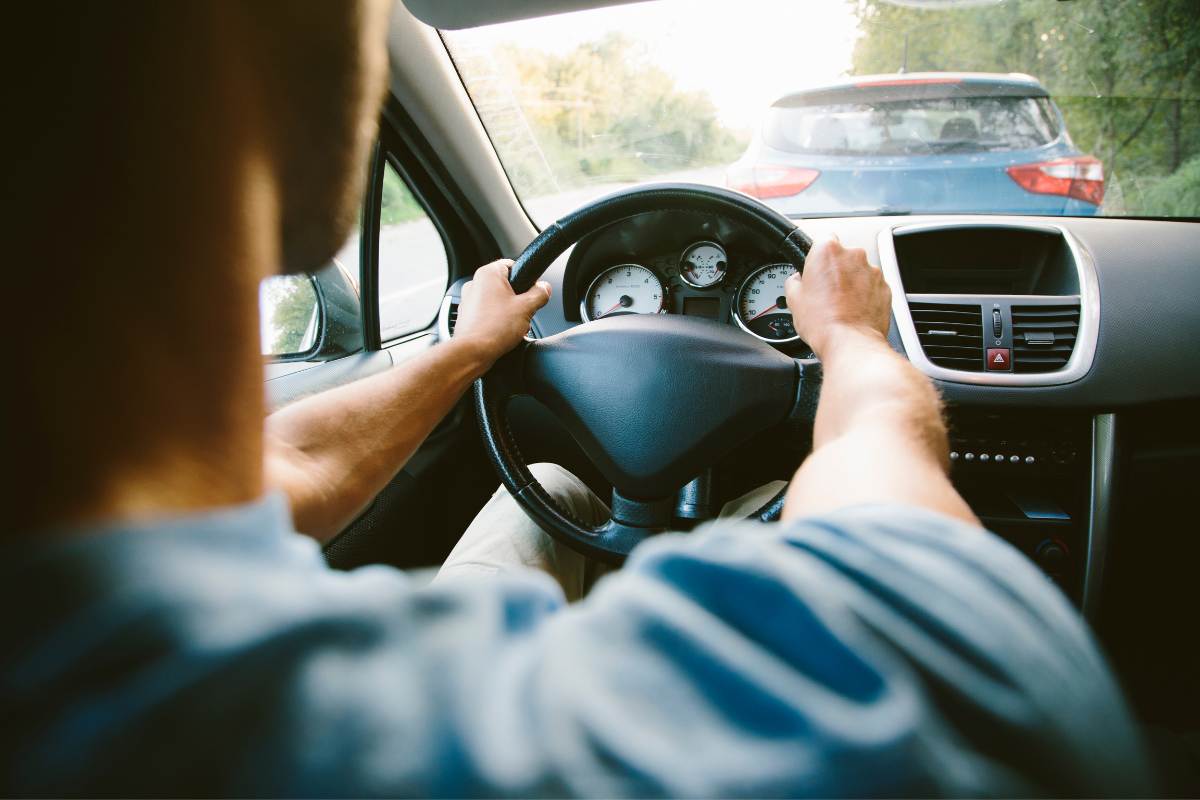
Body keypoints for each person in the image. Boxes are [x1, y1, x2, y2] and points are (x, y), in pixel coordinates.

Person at [1, 1, 1150, 796]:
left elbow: (288, 466)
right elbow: (906, 514)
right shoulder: (856, 715)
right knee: (577, 480)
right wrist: (849, 341)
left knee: (554, 484)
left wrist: (468, 351)